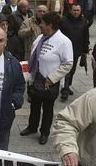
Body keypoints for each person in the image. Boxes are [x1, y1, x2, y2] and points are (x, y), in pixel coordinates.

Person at [20, 12, 73, 145]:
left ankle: (44, 133)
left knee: (48, 109)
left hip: (50, 81)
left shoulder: (64, 41)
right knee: (35, 106)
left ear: (50, 25)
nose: (40, 25)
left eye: (42, 23)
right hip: (36, 78)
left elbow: (68, 63)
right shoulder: (40, 38)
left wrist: (52, 78)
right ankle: (32, 127)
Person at [58, 4, 90, 101]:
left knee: (72, 69)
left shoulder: (83, 21)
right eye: (74, 10)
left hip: (76, 49)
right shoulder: (63, 20)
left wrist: (85, 49)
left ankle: (67, 85)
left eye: (78, 10)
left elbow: (86, 36)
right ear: (70, 10)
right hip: (64, 49)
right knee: (65, 69)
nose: (76, 12)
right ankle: (65, 89)